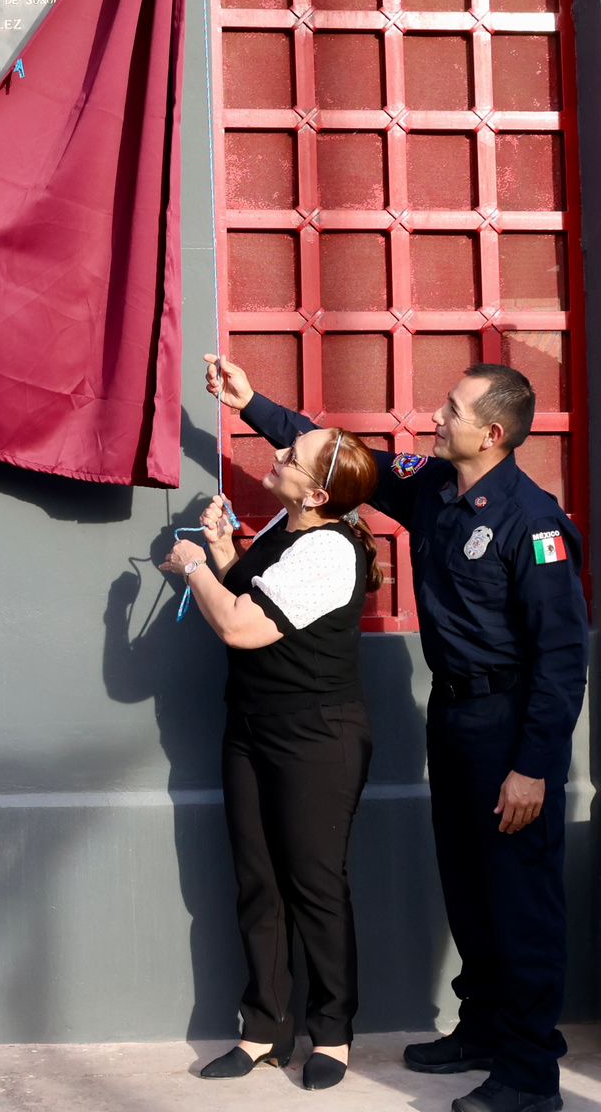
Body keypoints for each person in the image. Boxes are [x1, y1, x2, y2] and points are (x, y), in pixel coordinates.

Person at [208, 354, 587, 1112]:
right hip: (452, 716)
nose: (435, 417)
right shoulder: (435, 487)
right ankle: (481, 1029)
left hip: (511, 727)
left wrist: (535, 766)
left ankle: (528, 1074)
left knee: (519, 902)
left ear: (493, 434)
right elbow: (348, 463)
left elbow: (561, 655)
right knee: (469, 889)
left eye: (453, 410)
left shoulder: (534, 522)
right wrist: (253, 406)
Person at [161, 424, 381, 1091]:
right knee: (259, 883)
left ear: (317, 494)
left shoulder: (331, 549)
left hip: (317, 734)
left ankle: (333, 1034)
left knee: (315, 885)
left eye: (293, 456)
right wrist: (224, 552)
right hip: (254, 726)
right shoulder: (288, 527)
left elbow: (239, 626)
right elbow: (255, 596)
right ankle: (263, 1030)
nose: (279, 454)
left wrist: (193, 568)